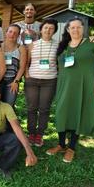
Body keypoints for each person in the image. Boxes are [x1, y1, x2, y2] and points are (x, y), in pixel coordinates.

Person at [46, 17, 94, 163]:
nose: (75, 30)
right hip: (63, 86)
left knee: (77, 113)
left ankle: (71, 147)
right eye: (72, 27)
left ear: (83, 28)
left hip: (83, 87)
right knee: (62, 112)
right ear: (67, 29)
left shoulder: (92, 44)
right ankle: (61, 144)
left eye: (78, 27)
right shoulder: (63, 45)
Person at [25, 18, 59, 147]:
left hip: (49, 81)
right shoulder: (32, 44)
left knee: (44, 109)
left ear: (54, 31)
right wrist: (27, 74)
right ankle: (31, 133)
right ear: (41, 29)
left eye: (51, 28)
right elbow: (26, 61)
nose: (48, 30)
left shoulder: (58, 45)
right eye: (46, 28)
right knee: (32, 108)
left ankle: (40, 134)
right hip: (32, 80)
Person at [0, 24, 27, 107]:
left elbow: (22, 67)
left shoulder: (21, 48)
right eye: (10, 32)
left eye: (15, 33)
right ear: (6, 33)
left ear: (18, 35)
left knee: (9, 106)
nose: (12, 34)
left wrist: (16, 81)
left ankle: (8, 120)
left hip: (12, 82)